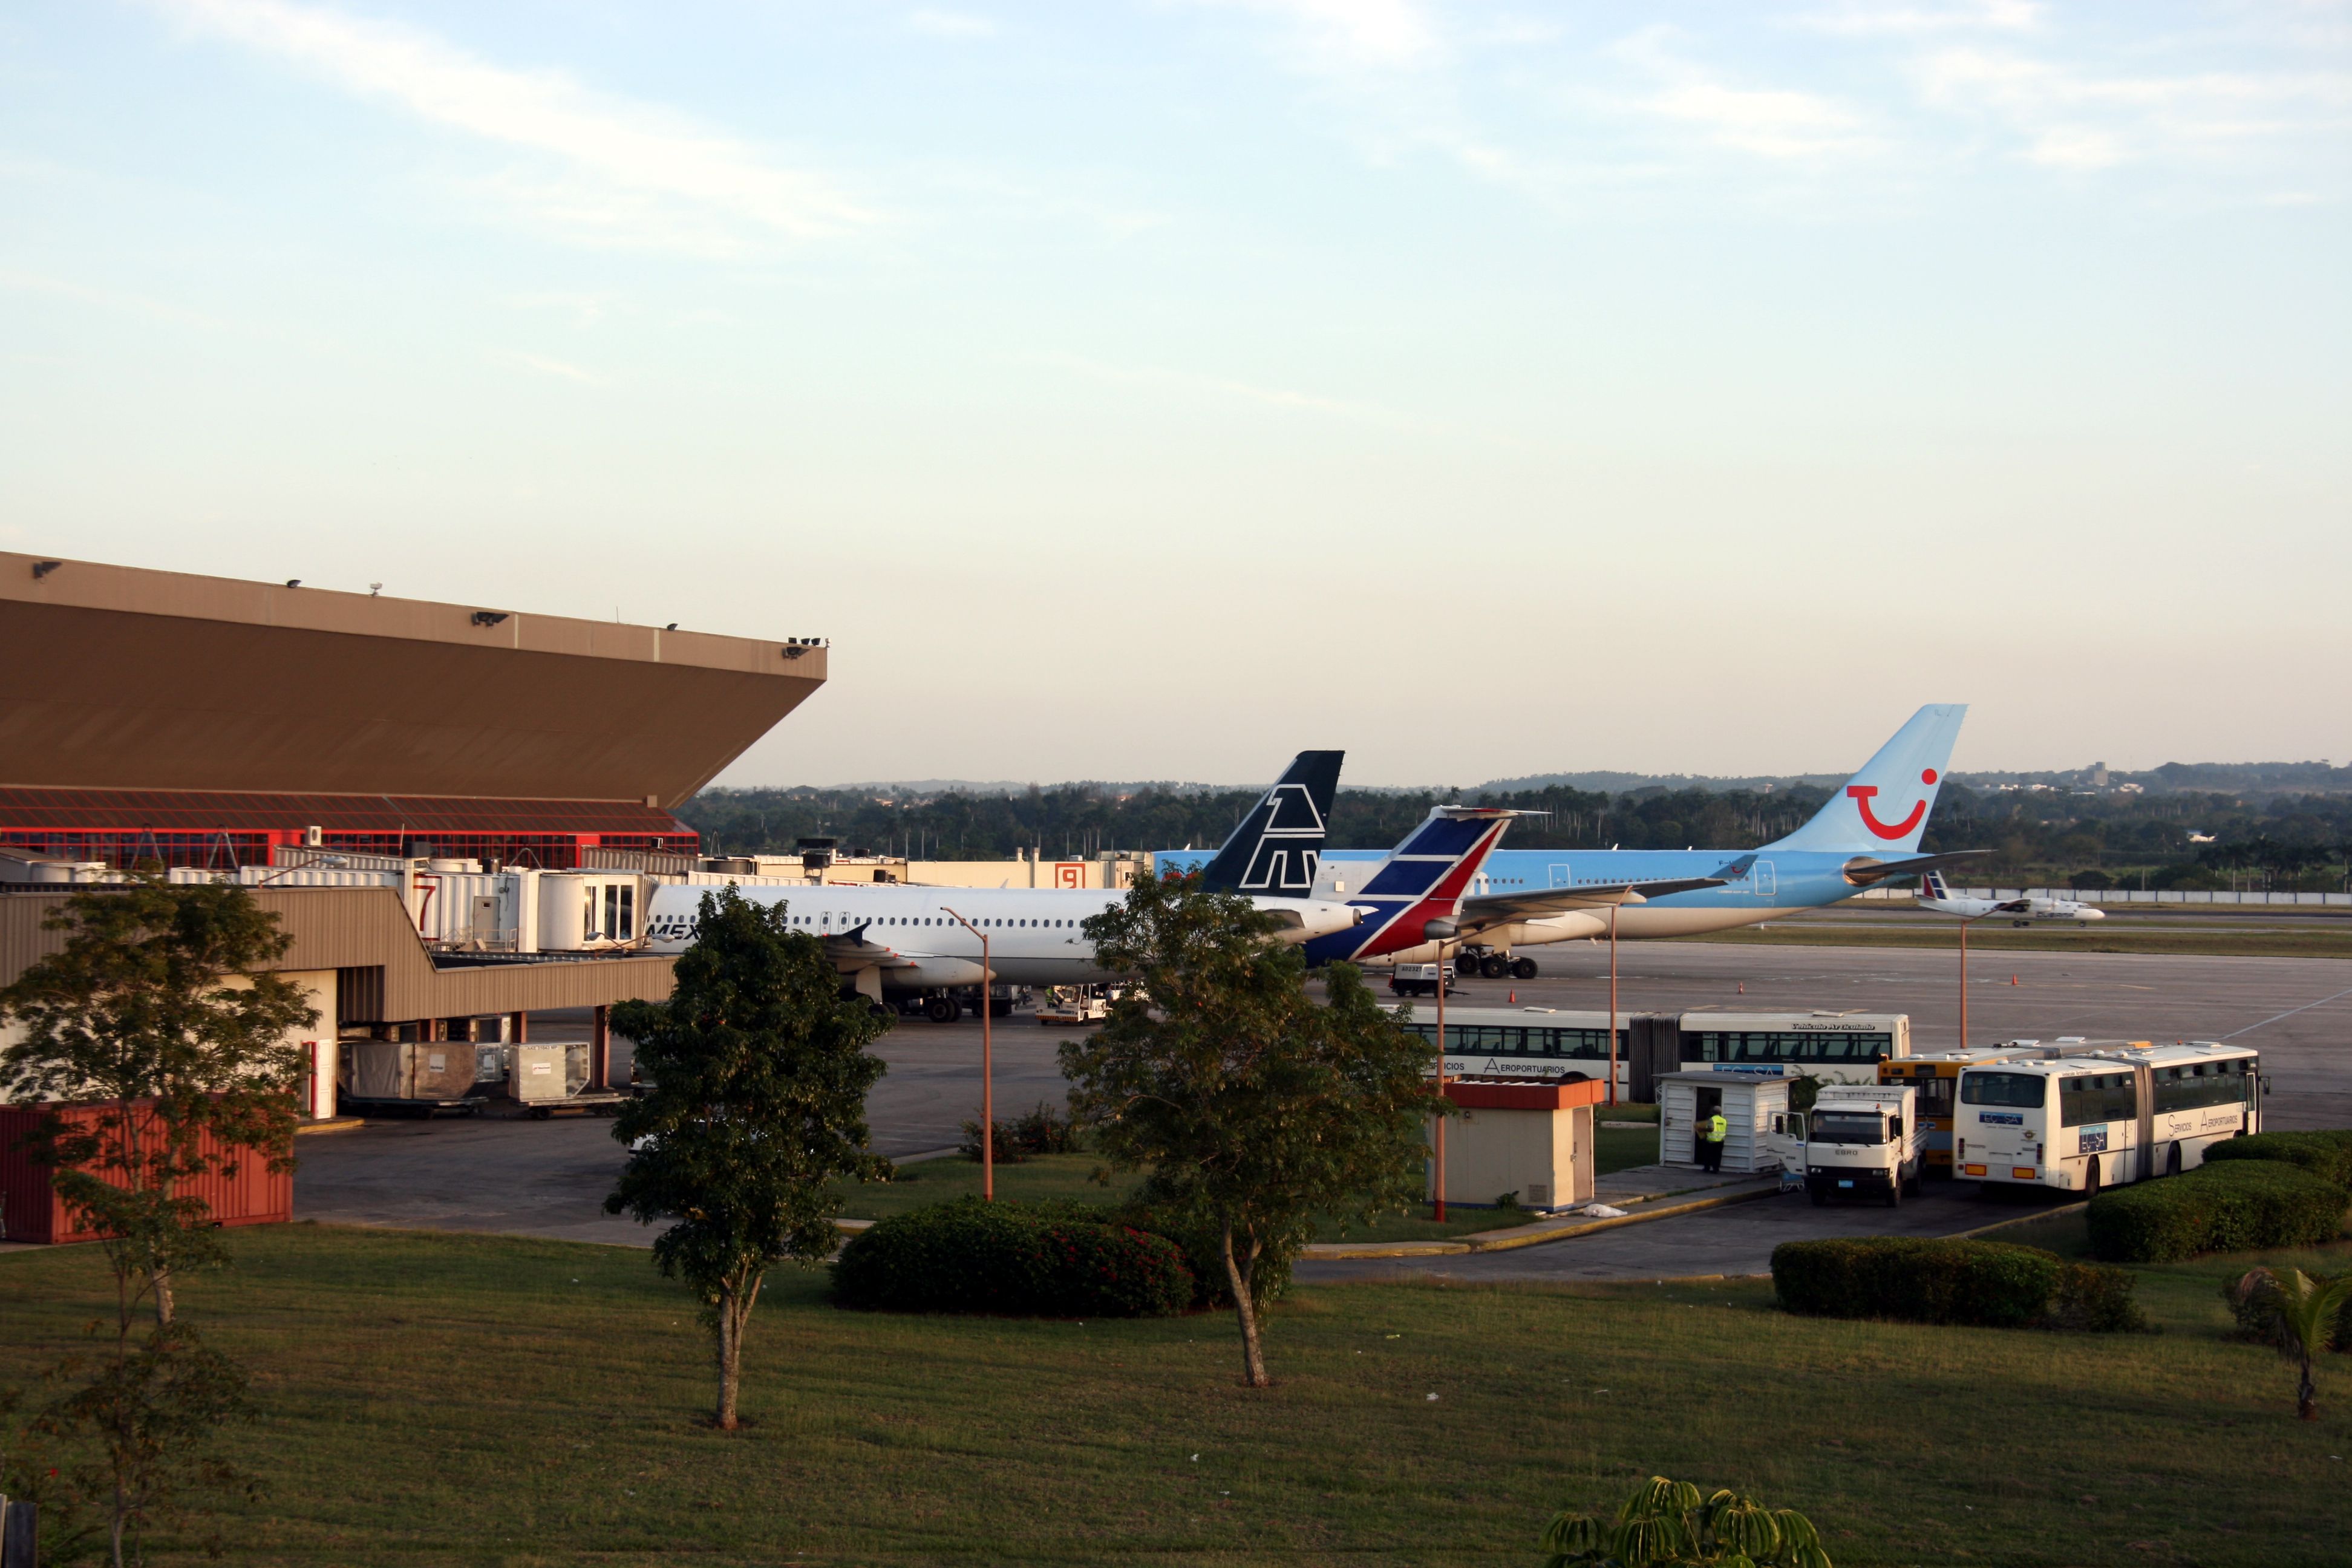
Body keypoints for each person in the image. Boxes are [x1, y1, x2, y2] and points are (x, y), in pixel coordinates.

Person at [1699, 1106, 1728, 1172]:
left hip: (1711, 1140)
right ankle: (1716, 1169)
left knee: (1708, 1155)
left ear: (1713, 1112)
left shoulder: (1711, 1120)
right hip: (1720, 1140)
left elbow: (1711, 1129)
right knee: (1718, 1156)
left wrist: (1702, 1129)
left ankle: (1707, 1168)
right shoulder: (1724, 1120)